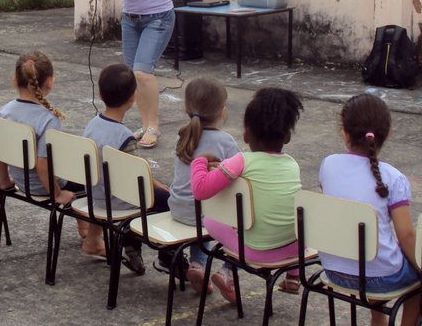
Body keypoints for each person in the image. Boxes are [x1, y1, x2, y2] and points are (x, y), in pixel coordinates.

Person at [317, 93, 422, 326]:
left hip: (333, 270)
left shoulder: (328, 164)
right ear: (388, 133)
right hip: (377, 277)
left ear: (344, 132)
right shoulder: (393, 178)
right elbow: (407, 236)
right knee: (420, 276)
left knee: (371, 243)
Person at [190, 87, 304, 303]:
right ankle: (293, 276)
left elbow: (200, 190)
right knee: (288, 219)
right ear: (287, 137)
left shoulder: (242, 161)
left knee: (211, 219)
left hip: (255, 251)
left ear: (246, 133)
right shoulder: (292, 165)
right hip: (292, 249)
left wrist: (199, 161)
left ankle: (227, 271)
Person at [107, 0, 182, 149]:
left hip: (158, 17)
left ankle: (154, 126)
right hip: (130, 19)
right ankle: (144, 123)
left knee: (142, 71)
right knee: (133, 76)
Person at [82, 63, 169, 273]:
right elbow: (139, 178)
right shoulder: (124, 137)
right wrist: (163, 188)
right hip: (118, 201)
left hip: (95, 195)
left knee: (150, 192)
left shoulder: (92, 124)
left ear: (100, 94)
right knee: (168, 201)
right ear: (132, 98)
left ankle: (132, 244)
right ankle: (167, 256)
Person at [167, 77, 240, 292]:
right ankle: (227, 269)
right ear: (222, 111)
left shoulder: (183, 137)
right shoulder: (226, 142)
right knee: (238, 218)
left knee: (203, 207)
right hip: (205, 217)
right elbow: (241, 179)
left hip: (178, 209)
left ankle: (198, 263)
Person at [0, 51, 76, 207]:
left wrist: (4, 181)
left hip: (21, 182)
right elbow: (42, 163)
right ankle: (86, 227)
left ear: (15, 80)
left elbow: (0, 152)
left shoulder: (4, 112)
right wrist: (57, 194)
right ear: (50, 83)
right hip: (45, 187)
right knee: (92, 181)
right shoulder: (49, 119)